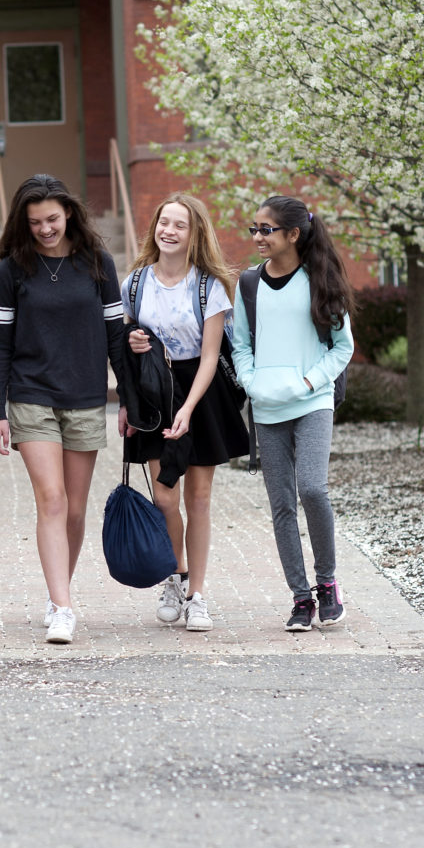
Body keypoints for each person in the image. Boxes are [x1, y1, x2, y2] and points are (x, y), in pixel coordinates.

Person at [0, 174, 132, 645]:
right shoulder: (11, 270)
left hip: (86, 397)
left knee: (73, 509)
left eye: (52, 219)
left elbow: (115, 338)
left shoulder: (98, 263)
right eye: (34, 222)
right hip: (31, 396)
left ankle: (57, 594)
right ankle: (63, 607)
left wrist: (126, 397)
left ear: (68, 213)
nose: (45, 228)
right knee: (50, 499)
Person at [118, 193, 249, 632]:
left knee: (199, 498)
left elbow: (212, 356)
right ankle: (174, 578)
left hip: (199, 393)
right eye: (163, 222)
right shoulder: (134, 283)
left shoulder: (209, 286)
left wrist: (190, 408)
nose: (168, 231)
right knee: (166, 497)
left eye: (180, 225)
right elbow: (126, 343)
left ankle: (197, 595)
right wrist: (134, 345)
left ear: (195, 235)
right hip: (154, 394)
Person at [230, 195, 355, 632]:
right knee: (281, 504)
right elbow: (240, 345)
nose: (258, 237)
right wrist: (251, 381)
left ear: (293, 234)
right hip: (266, 408)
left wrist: (307, 383)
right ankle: (301, 598)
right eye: (255, 229)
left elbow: (342, 347)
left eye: (266, 229)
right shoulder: (248, 283)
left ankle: (327, 585)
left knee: (313, 489)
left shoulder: (320, 279)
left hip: (311, 402)